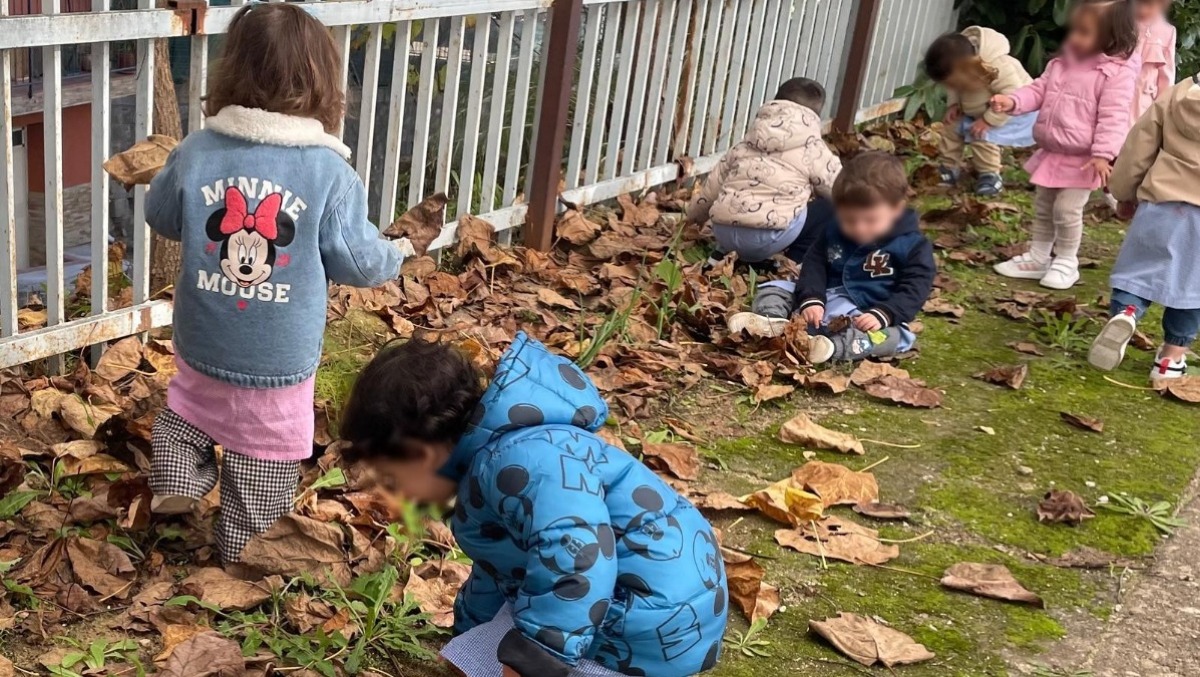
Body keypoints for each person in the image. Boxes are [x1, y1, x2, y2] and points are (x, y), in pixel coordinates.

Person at [143, 3, 410, 562]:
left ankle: (177, 480)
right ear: (322, 83)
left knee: (189, 413)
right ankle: (241, 550)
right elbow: (357, 264)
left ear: (229, 70)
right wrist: (397, 253)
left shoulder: (196, 151)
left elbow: (162, 216)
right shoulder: (329, 172)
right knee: (263, 452)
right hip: (279, 358)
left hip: (202, 340)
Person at [339, 334, 728, 677]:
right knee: (464, 658)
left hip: (650, 619)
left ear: (420, 455)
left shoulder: (520, 463)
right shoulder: (493, 464)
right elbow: (502, 569)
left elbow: (577, 556)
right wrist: (469, 630)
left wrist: (535, 658)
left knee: (524, 653)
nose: (394, 495)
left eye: (391, 479)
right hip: (621, 597)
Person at [730, 152, 935, 364]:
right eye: (848, 219)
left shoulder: (913, 246)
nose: (858, 228)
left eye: (870, 220)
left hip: (868, 312)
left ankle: (831, 348)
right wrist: (812, 298)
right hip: (824, 298)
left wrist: (885, 313)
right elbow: (814, 263)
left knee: (888, 338)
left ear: (896, 209)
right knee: (775, 289)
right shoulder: (834, 231)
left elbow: (915, 289)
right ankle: (771, 321)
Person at [990, 0, 1140, 290]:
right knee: (1045, 206)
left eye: (1085, 33)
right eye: (1075, 31)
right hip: (1053, 151)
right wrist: (1013, 102)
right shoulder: (1062, 62)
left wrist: (1103, 154)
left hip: (1085, 158)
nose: (1075, 38)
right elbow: (1039, 90)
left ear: (1111, 37)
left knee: (1067, 210)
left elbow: (1114, 116)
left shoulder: (1114, 74)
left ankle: (1067, 260)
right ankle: (1038, 256)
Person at [1088, 76, 1200, 381]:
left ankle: (1126, 313)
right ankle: (1170, 359)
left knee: (1137, 270)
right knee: (1192, 290)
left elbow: (1140, 145)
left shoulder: (1178, 94)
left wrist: (1124, 192)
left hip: (1160, 202)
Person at [686, 77, 841, 264]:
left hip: (723, 232)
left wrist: (692, 220)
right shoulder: (814, 150)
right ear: (815, 116)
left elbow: (710, 191)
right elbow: (841, 190)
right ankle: (794, 261)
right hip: (769, 238)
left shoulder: (744, 144)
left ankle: (722, 253)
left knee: (737, 196)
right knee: (831, 207)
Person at [924, 26, 1036, 196]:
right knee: (951, 127)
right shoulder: (960, 69)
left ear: (968, 70)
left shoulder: (996, 67)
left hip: (1014, 112)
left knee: (981, 134)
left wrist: (988, 120)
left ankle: (990, 174)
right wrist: (954, 105)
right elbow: (955, 89)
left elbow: (1012, 96)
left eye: (954, 83)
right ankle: (948, 167)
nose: (953, 87)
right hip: (979, 109)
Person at [1131, 0, 1176, 123]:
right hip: (1117, 98)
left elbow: (1166, 79)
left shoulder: (1167, 31)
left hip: (1144, 105)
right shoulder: (1122, 23)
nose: (1143, 9)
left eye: (1150, 5)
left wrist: (1161, 114)